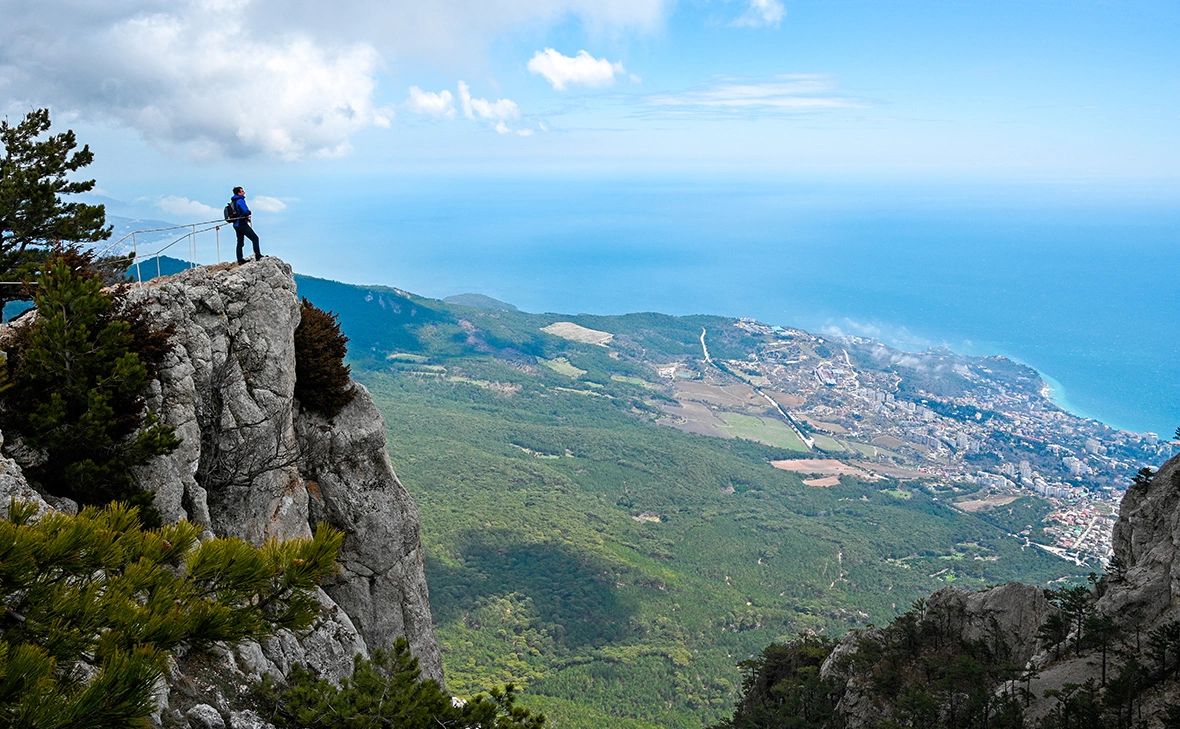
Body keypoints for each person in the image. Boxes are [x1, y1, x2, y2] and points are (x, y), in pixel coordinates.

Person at [231, 186, 262, 264]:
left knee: (240, 242)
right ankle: (258, 256)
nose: (244, 192)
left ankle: (240, 259)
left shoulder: (234, 201)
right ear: (238, 193)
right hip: (242, 224)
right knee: (255, 238)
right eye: (242, 191)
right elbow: (245, 211)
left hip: (236, 224)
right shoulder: (240, 201)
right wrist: (249, 212)